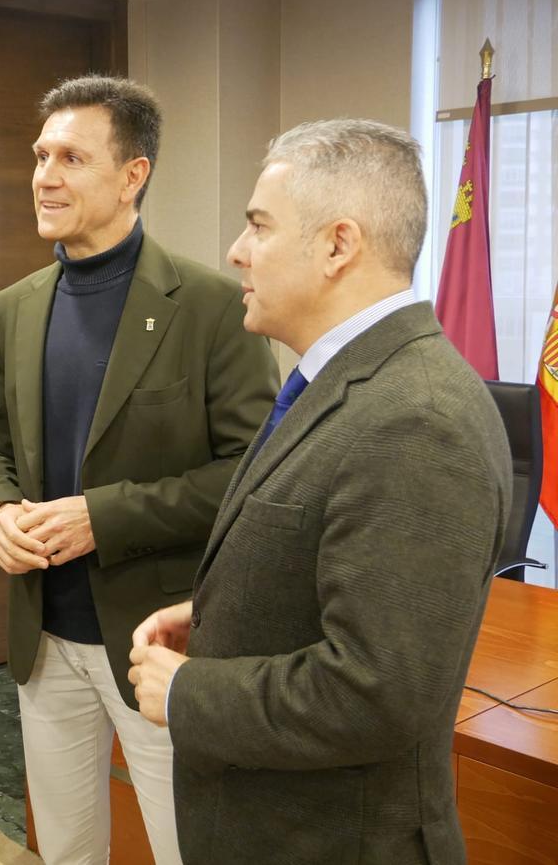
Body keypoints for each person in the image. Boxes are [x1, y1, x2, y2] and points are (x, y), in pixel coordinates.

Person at [128, 118, 512, 864]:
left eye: (258, 227)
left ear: (338, 244)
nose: (237, 251)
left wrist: (188, 694)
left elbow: (378, 690)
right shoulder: (333, 381)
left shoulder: (418, 418)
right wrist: (216, 615)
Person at [0, 74, 278, 864]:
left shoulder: (212, 305)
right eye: (41, 155)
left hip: (159, 643)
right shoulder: (16, 304)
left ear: (132, 175)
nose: (44, 174)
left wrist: (99, 517)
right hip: (43, 636)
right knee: (66, 849)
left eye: (71, 157)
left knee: (187, 848)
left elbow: (251, 477)